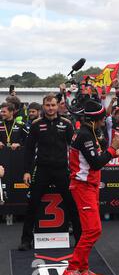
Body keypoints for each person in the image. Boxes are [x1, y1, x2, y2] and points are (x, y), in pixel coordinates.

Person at [62, 100, 119, 275]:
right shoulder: (85, 134)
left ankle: (83, 269)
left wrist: (116, 152)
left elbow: (97, 156)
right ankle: (71, 269)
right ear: (96, 119)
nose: (105, 121)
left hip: (90, 186)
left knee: (89, 230)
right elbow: (95, 163)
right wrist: (113, 148)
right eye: (103, 118)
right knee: (94, 230)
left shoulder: (90, 131)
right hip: (83, 187)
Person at [18, 94, 82, 251]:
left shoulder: (66, 124)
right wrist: (26, 171)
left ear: (57, 105)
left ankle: (80, 239)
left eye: (53, 105)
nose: (50, 108)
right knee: (32, 203)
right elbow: (29, 149)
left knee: (72, 204)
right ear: (43, 106)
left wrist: (75, 170)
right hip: (42, 169)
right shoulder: (36, 124)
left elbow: (74, 149)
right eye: (47, 105)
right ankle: (26, 240)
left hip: (62, 170)